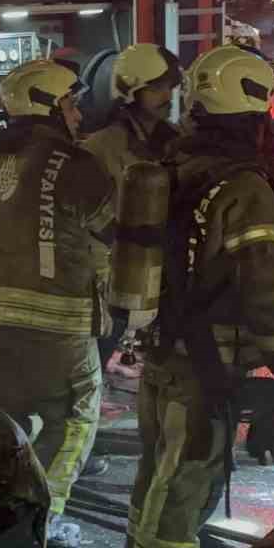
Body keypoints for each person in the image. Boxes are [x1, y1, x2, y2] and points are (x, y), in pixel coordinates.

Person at [125, 46, 274, 548]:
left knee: (158, 466)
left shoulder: (176, 166)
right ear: (252, 107)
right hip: (206, 363)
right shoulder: (245, 188)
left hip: (162, 350)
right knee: (187, 479)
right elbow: (263, 294)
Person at [0, 59, 116, 548]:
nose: (78, 113)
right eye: (70, 102)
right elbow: (115, 231)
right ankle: (44, 520)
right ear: (49, 105)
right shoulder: (78, 164)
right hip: (60, 318)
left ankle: (4, 510)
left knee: (12, 417)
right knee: (76, 420)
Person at [82, 43, 184, 369]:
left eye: (169, 87)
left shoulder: (176, 142)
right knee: (93, 363)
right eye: (156, 89)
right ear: (131, 92)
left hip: (162, 270)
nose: (166, 96)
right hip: (112, 278)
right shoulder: (101, 147)